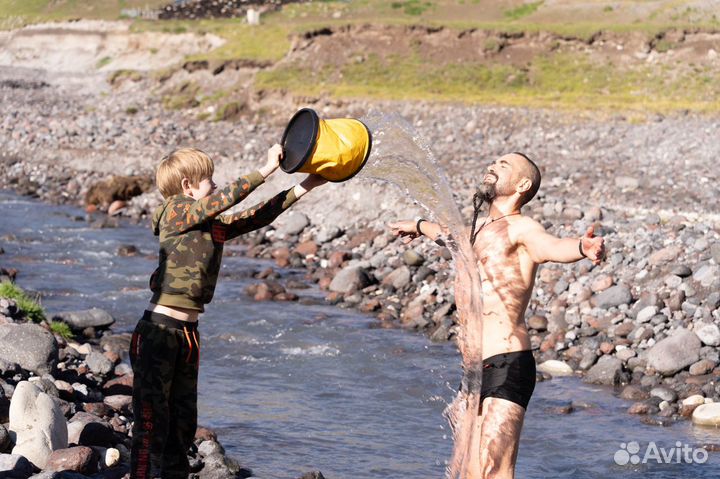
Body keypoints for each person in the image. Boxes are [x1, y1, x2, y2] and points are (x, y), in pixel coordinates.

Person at [389, 152, 604, 478]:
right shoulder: (477, 230)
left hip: (507, 362)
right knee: (469, 473)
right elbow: (449, 235)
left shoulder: (521, 228)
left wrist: (580, 248)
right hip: (474, 372)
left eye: (503, 165)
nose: (492, 166)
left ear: (522, 184)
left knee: (495, 472)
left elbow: (550, 246)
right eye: (493, 162)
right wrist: (419, 226)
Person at [130, 145, 326, 478]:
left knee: (182, 427)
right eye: (209, 179)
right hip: (158, 334)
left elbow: (254, 217)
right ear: (188, 186)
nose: (216, 184)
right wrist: (265, 170)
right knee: (151, 426)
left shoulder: (210, 224)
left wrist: (304, 186)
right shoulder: (174, 213)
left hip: (189, 337)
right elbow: (222, 201)